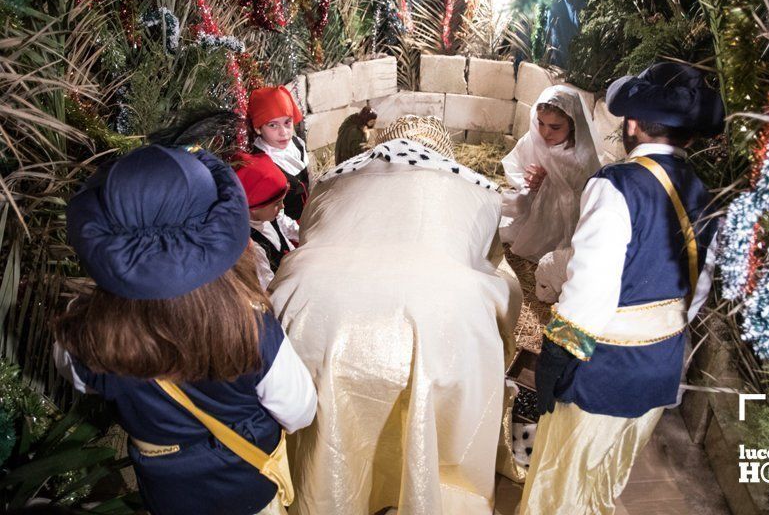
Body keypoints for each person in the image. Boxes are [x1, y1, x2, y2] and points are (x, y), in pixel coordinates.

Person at [268, 115, 522, 515]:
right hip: (435, 318)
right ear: (444, 152)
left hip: (313, 315)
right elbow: (491, 264)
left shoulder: (334, 178)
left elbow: (311, 233)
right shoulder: (477, 188)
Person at [53, 138, 317, 515]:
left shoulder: (83, 332)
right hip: (247, 489)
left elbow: (77, 377)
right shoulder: (251, 325)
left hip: (168, 493)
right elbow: (299, 410)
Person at [519, 62, 723, 514]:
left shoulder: (617, 187)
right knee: (608, 475)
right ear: (687, 136)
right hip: (662, 365)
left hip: (604, 370)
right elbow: (697, 288)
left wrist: (555, 358)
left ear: (631, 124)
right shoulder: (704, 192)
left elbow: (590, 293)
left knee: (564, 486)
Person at [500, 85, 601, 262]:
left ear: (572, 124)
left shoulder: (581, 157)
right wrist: (530, 182)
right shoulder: (535, 138)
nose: (545, 133)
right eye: (541, 123)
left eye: (555, 127)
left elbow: (575, 206)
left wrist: (546, 184)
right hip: (533, 208)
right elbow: (516, 164)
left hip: (562, 223)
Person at [235, 151, 296, 290]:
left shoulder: (271, 216)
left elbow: (289, 228)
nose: (282, 207)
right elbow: (268, 286)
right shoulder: (252, 247)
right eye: (277, 203)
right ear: (254, 207)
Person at [249, 86, 310, 222]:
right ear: (258, 128)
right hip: (292, 232)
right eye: (273, 125)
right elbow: (275, 219)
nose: (284, 132)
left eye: (287, 122)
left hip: (310, 217)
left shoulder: (297, 144)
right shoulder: (260, 164)